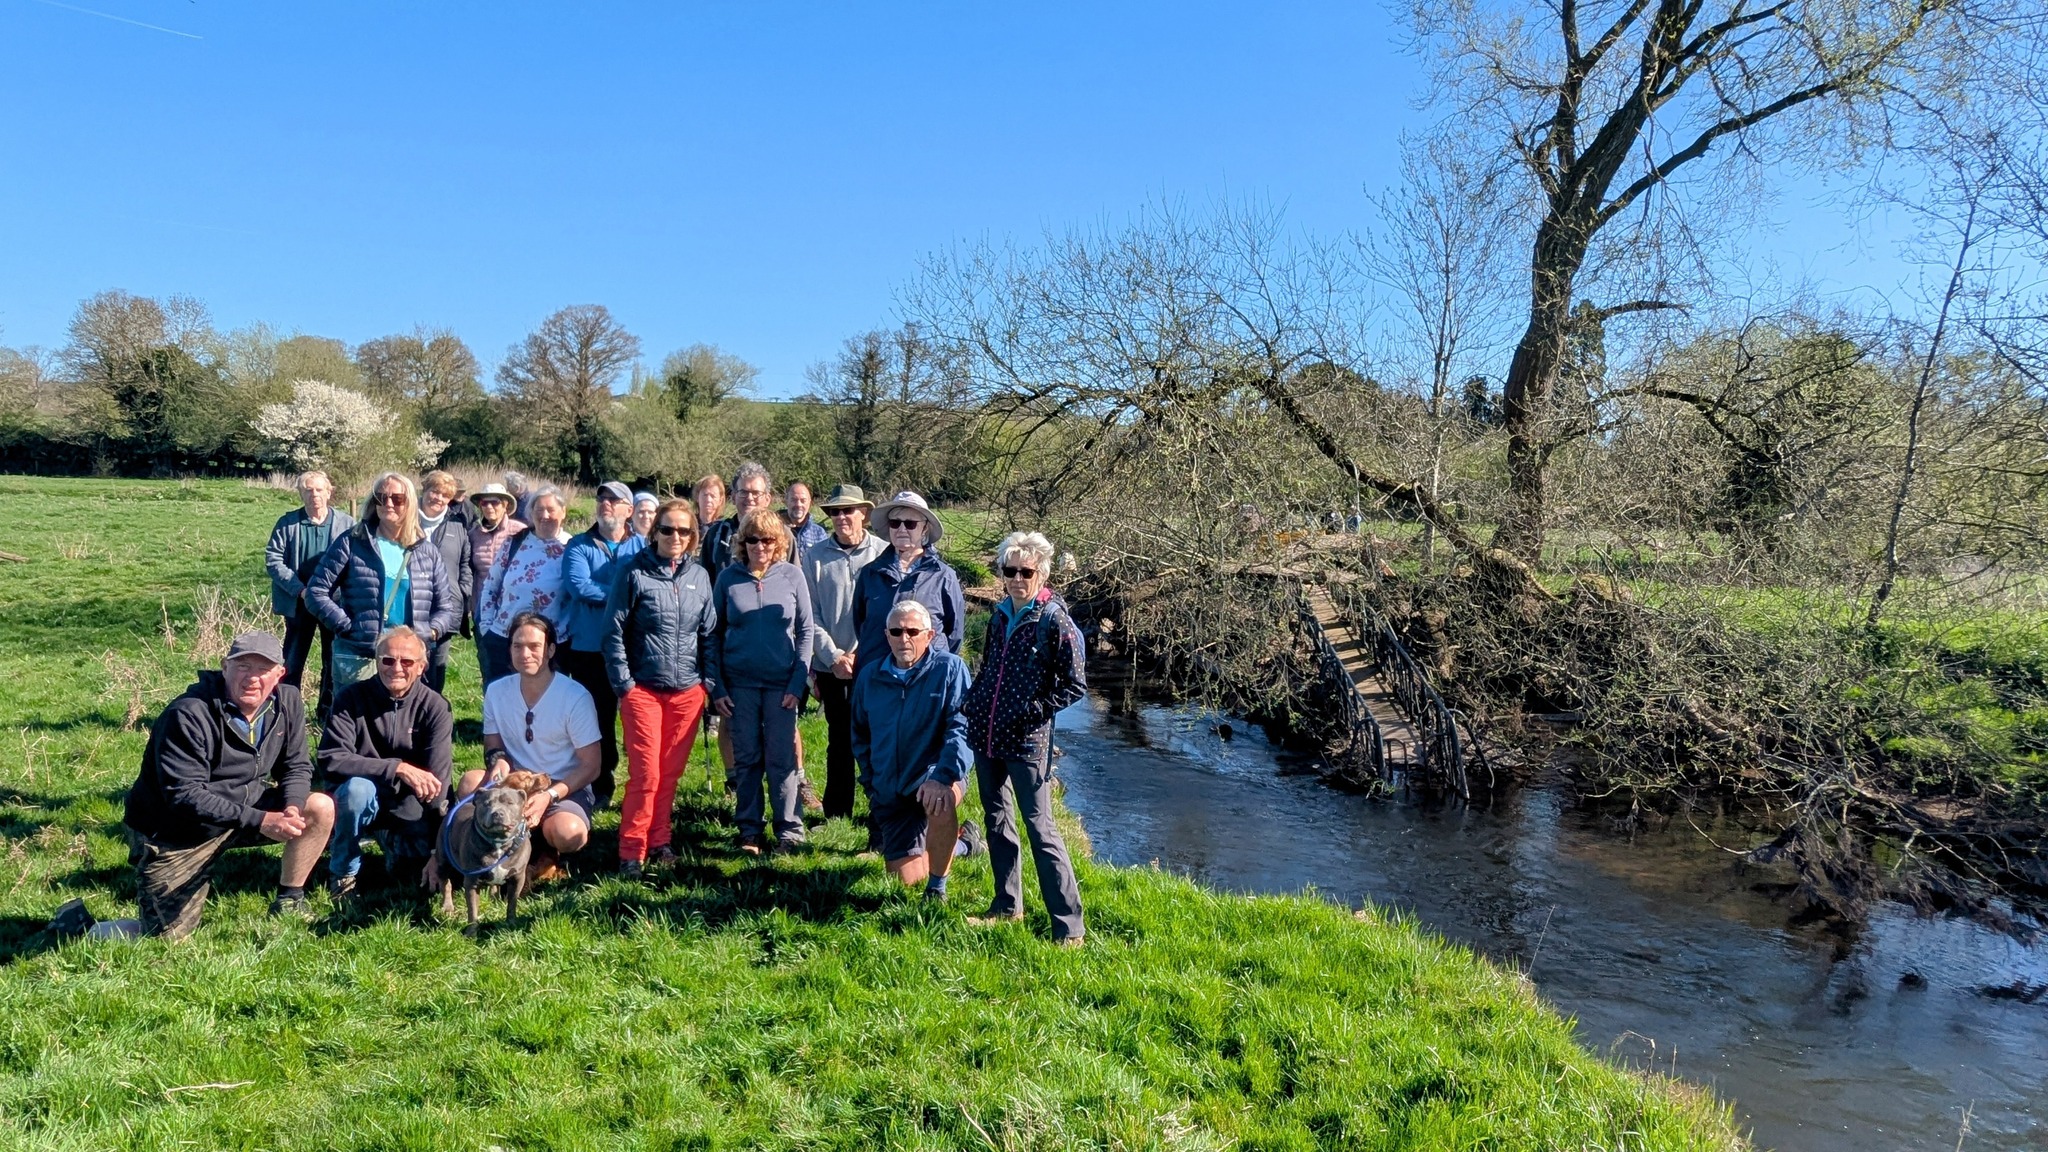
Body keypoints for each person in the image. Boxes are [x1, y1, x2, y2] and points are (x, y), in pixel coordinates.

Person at [113, 632, 336, 938]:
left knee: (319, 807)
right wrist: (261, 820)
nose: (252, 678)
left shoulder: (288, 702)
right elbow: (184, 795)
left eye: (263, 669)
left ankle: (289, 899)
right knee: (164, 939)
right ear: (225, 667)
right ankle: (81, 927)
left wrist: (291, 810)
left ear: (279, 674)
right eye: (243, 666)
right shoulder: (189, 713)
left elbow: (296, 766)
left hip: (243, 809)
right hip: (177, 830)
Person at [961, 531, 1088, 946]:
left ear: (1042, 572)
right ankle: (1006, 907)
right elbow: (989, 670)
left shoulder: (1054, 620)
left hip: (1028, 743)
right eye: (1009, 570)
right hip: (987, 735)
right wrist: (973, 702)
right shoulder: (999, 616)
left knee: (1041, 829)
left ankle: (1068, 928)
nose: (1017, 578)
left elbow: (1075, 685)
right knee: (997, 822)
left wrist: (1032, 712)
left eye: (1026, 571)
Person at [604, 500, 719, 877]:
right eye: (668, 529)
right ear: (655, 532)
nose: (675, 537)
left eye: (684, 531)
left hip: (687, 691)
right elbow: (613, 631)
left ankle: (660, 841)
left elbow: (710, 634)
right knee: (646, 774)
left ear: (693, 537)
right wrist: (624, 684)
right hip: (644, 690)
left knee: (669, 774)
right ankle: (631, 850)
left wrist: (707, 683)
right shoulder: (633, 572)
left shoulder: (700, 577)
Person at [454, 612, 600, 875]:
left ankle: (546, 847)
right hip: (515, 781)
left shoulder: (575, 696)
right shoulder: (497, 691)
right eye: (517, 645)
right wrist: (498, 760)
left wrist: (548, 795)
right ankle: (485, 848)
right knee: (468, 784)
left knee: (570, 834)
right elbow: (493, 745)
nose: (525, 653)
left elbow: (591, 766)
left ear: (551, 649)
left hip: (562, 785)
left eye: (535, 646)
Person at [319, 625, 452, 906]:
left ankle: (393, 844)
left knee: (408, 874)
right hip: (359, 794)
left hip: (409, 802)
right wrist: (397, 768)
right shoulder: (350, 698)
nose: (397, 668)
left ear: (422, 666)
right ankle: (343, 874)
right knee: (357, 791)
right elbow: (331, 758)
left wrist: (435, 853)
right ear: (377, 661)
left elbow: (439, 782)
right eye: (388, 660)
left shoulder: (435, 707)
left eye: (407, 662)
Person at [707, 509, 816, 853]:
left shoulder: (793, 576)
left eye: (767, 539)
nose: (760, 546)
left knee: (782, 759)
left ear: (779, 542)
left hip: (782, 684)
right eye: (752, 539)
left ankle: (789, 831)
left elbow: (806, 631)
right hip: (739, 684)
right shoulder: (727, 579)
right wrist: (718, 687)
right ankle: (749, 830)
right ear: (743, 542)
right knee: (747, 758)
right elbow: (712, 633)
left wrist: (798, 682)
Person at [851, 601, 972, 900]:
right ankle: (964, 844)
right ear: (886, 635)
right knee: (905, 879)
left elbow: (962, 729)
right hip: (891, 789)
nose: (904, 639)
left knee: (940, 802)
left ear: (929, 636)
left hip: (937, 777)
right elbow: (860, 735)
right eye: (896, 631)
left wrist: (943, 776)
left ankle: (937, 889)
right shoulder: (869, 677)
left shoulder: (950, 670)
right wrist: (872, 782)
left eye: (913, 631)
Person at [303, 472, 463, 691]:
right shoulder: (352, 542)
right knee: (354, 722)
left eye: (397, 499)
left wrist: (430, 632)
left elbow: (446, 607)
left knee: (402, 723)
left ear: (410, 504)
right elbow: (315, 592)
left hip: (406, 660)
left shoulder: (427, 552)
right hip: (361, 656)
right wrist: (347, 626)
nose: (388, 503)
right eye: (381, 497)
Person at [800, 484, 887, 820]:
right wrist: (833, 656)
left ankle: (881, 810)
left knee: (876, 737)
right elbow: (811, 614)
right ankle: (837, 813)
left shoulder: (881, 553)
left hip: (874, 662)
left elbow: (885, 610)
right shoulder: (815, 557)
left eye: (848, 511)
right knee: (839, 739)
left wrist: (861, 653)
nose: (841, 518)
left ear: (863, 513)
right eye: (835, 512)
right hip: (831, 664)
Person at [561, 480, 645, 806]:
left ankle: (641, 785)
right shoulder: (579, 546)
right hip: (589, 647)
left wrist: (618, 594)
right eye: (602, 498)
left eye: (614, 499)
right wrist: (624, 596)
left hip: (634, 648)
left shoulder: (641, 548)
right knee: (597, 718)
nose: (606, 504)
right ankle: (601, 783)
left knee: (638, 717)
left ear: (629, 510)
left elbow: (648, 585)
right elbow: (579, 586)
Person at [263, 469, 355, 719]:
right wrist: (299, 590)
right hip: (299, 603)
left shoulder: (346, 524)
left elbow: (356, 562)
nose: (314, 495)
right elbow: (273, 561)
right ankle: (287, 713)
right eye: (308, 490)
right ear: (301, 493)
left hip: (334, 605)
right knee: (292, 660)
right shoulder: (288, 523)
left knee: (332, 659)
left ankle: (328, 712)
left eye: (319, 489)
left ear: (329, 492)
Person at [851, 491, 966, 675]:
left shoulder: (943, 576)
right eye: (895, 523)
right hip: (877, 676)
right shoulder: (870, 573)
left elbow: (955, 634)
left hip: (927, 678)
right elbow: (860, 624)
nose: (902, 529)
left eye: (910, 524)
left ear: (925, 528)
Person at [477, 484, 570, 686]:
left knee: (545, 703)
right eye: (538, 510)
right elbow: (491, 586)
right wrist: (486, 627)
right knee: (503, 699)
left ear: (563, 512)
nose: (544, 515)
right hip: (504, 638)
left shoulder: (571, 547)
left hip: (550, 644)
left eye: (551, 509)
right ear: (530, 513)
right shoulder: (515, 543)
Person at [416, 470, 472, 694]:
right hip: (413, 604)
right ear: (424, 491)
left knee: (437, 667)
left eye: (444, 495)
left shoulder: (458, 526)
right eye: (434, 491)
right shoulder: (407, 520)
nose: (438, 498)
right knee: (411, 662)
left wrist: (463, 591)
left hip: (445, 607)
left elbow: (465, 563)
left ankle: (431, 716)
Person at [465, 483, 527, 685]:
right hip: (483, 611)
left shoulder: (520, 532)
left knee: (518, 665)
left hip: (514, 609)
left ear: (505, 506)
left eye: (495, 502)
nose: (489, 507)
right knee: (489, 666)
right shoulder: (473, 534)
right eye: (485, 502)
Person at [700, 461, 773, 573]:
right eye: (744, 492)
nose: (749, 498)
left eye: (756, 493)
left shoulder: (782, 535)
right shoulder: (716, 535)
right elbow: (703, 582)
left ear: (767, 499)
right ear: (733, 497)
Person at [783, 481, 828, 554]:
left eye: (803, 501)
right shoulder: (775, 529)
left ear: (810, 503)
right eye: (793, 500)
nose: (798, 504)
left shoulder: (818, 533)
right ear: (786, 501)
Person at [690, 473, 726, 548]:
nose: (708, 500)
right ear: (697, 497)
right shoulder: (688, 523)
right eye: (705, 495)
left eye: (713, 496)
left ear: (720, 500)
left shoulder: (724, 528)